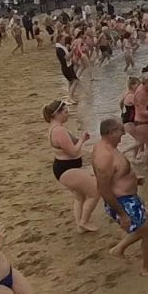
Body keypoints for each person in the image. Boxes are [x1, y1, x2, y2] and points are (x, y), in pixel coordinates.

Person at [93, 117, 148, 276]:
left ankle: (118, 249)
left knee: (143, 228)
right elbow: (103, 188)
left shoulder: (107, 147)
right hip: (123, 202)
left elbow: (115, 175)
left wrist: (133, 179)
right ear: (111, 132)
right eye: (120, 131)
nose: (124, 134)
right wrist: (122, 214)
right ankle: (147, 268)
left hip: (127, 199)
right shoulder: (105, 155)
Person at [43, 99, 100, 232]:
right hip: (66, 169)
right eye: (65, 112)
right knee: (95, 192)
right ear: (57, 114)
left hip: (65, 168)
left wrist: (81, 140)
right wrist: (81, 140)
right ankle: (84, 222)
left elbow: (70, 145)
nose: (68, 114)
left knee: (79, 197)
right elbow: (73, 151)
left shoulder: (56, 128)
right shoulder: (58, 131)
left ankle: (80, 226)